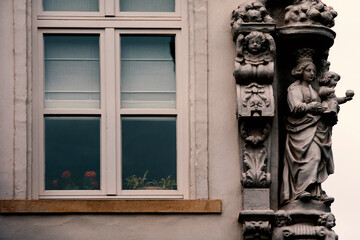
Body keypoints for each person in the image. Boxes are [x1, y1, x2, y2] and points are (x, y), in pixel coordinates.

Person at [281, 49, 334, 205]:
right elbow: (295, 107)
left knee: (317, 158)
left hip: (316, 129)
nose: (312, 73)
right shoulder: (293, 88)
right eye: (308, 70)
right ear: (300, 71)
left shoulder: (314, 90)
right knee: (309, 158)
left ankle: (315, 191)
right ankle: (300, 190)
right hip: (299, 130)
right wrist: (311, 107)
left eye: (313, 71)